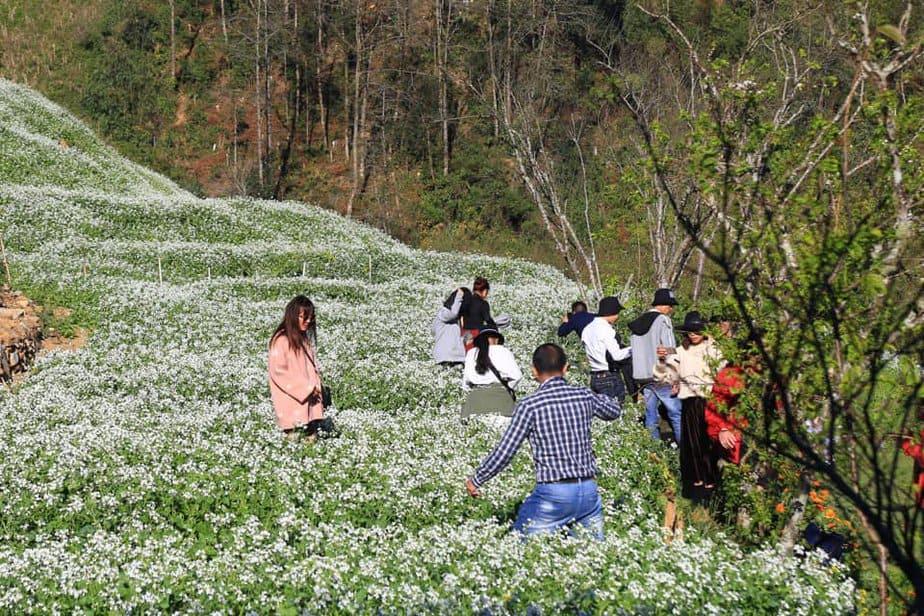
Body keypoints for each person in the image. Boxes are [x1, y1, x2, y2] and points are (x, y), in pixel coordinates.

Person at [465, 343, 623, 540]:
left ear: (534, 371)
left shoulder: (530, 405)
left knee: (519, 547)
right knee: (591, 556)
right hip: (588, 490)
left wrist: (477, 479)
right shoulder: (584, 395)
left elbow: (506, 451)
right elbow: (614, 411)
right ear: (565, 368)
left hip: (553, 493)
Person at [656, 311, 724, 501]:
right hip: (689, 400)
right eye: (689, 331)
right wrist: (663, 359)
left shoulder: (714, 349)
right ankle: (695, 485)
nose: (692, 334)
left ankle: (711, 482)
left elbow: (722, 372)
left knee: (708, 442)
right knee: (692, 444)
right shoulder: (681, 349)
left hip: (708, 399)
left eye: (696, 331)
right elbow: (667, 371)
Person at [629, 288, 682, 443]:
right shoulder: (663, 320)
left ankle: (655, 452)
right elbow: (669, 350)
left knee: (651, 415)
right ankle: (685, 451)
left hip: (643, 377)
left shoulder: (637, 322)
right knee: (676, 414)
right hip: (661, 376)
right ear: (663, 305)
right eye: (670, 305)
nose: (671, 309)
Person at [268, 295, 324, 441]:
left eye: (310, 318)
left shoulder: (302, 338)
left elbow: (312, 367)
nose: (307, 321)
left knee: (311, 440)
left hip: (309, 403)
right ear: (293, 316)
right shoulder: (281, 340)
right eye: (303, 317)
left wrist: (316, 386)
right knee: (294, 440)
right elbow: (278, 372)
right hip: (292, 403)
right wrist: (308, 387)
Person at [461, 327, 522, 420]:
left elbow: (466, 384)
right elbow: (517, 376)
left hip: (475, 403)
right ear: (496, 339)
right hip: (501, 402)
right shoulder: (503, 351)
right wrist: (505, 387)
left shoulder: (471, 353)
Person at [581, 296, 631, 404]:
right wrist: (634, 349)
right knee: (614, 412)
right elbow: (617, 356)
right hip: (609, 377)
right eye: (617, 313)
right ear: (612, 312)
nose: (617, 317)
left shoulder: (587, 329)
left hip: (594, 377)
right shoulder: (607, 330)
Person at [432, 287, 471, 366]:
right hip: (445, 358)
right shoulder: (443, 314)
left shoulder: (462, 320)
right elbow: (453, 313)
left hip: (460, 359)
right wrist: (459, 296)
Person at [459, 276, 496, 351]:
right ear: (485, 291)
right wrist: (495, 326)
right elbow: (487, 319)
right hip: (476, 334)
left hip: (464, 333)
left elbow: (460, 317)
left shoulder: (466, 300)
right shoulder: (483, 304)